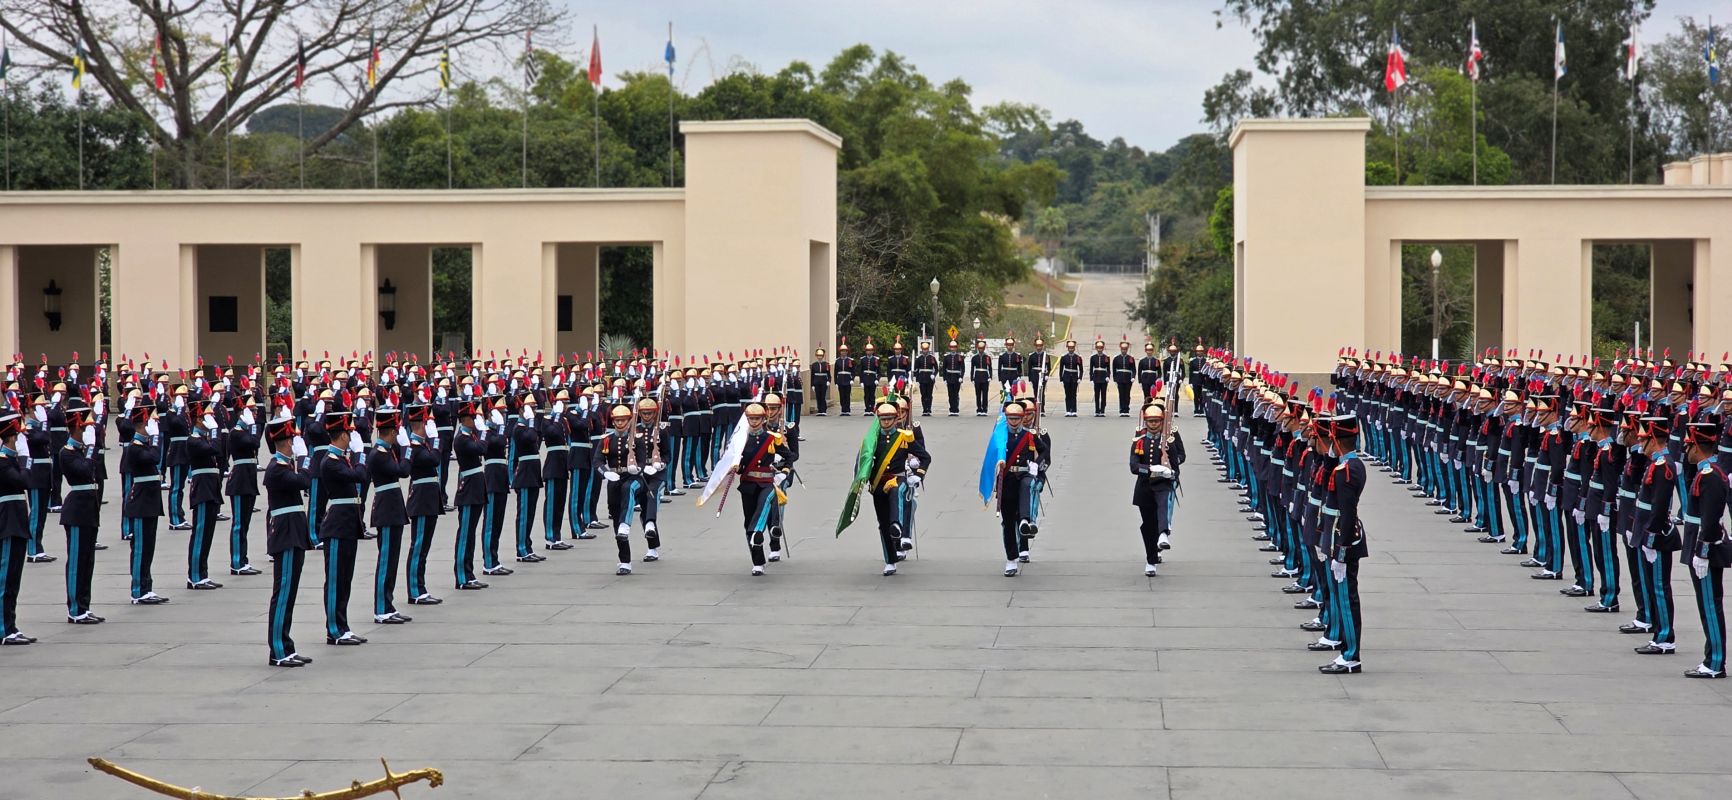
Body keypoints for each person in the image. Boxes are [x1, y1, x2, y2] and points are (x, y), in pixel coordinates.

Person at [1312, 410, 1366, 675]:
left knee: (1346, 601)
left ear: (1336, 440)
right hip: (1334, 540)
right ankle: (1346, 650)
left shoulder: (1348, 471)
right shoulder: (1343, 466)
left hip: (1343, 543)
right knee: (1341, 597)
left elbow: (1347, 514)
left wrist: (1341, 554)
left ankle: (1351, 655)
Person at [263, 416, 313, 667]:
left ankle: (286, 645)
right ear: (283, 441)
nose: (295, 443)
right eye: (292, 439)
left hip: (293, 533)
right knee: (283, 593)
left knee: (289, 592)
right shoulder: (276, 469)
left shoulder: (284, 465)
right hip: (286, 535)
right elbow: (304, 480)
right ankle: (278, 650)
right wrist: (305, 458)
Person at [319, 410, 369, 646]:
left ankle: (343, 626)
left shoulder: (339, 459)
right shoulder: (330, 462)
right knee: (335, 580)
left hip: (348, 524)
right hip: (337, 526)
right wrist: (360, 454)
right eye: (348, 433)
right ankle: (334, 630)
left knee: (345, 579)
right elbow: (359, 475)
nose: (351, 437)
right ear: (341, 435)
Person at [1683, 420, 1728, 678]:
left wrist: (1702, 551)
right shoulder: (1705, 472)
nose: (1686, 450)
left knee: (1710, 606)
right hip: (1699, 545)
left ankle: (1715, 662)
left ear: (1698, 447)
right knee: (1706, 605)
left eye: (1689, 445)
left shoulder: (1711, 476)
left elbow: (1709, 520)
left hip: (1706, 550)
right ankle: (1711, 657)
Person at [866, 400, 929, 576]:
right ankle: (890, 561)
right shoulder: (872, 439)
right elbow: (862, 461)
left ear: (895, 419)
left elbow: (925, 457)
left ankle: (897, 524)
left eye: (889, 419)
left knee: (896, 493)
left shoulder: (904, 437)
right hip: (878, 483)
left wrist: (918, 474)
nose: (886, 422)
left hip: (898, 478)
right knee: (882, 524)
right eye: (883, 419)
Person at [732, 402, 793, 576]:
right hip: (748, 484)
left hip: (767, 483)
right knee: (748, 522)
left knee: (763, 506)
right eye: (751, 418)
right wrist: (736, 466)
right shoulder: (740, 439)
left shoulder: (772, 438)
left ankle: (758, 532)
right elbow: (738, 464)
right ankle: (757, 561)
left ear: (763, 419)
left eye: (757, 418)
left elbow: (789, 457)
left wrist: (783, 473)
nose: (754, 422)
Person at [367, 406, 413, 624]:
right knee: (386, 561)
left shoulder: (386, 451)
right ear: (392, 431)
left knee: (392, 560)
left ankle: (388, 604)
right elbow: (403, 471)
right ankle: (381, 608)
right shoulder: (379, 454)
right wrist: (408, 448)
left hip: (393, 509)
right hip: (386, 510)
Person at [58, 401, 103, 624]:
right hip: (76, 511)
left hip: (89, 510)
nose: (88, 430)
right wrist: (91, 447)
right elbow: (85, 470)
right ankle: (75, 609)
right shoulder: (66, 453)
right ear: (77, 426)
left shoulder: (80, 451)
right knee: (77, 561)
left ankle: (84, 606)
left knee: (87, 561)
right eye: (85, 427)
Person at [1129, 401, 1185, 576]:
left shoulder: (1168, 442)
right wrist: (1150, 469)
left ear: (1162, 422)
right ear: (1146, 422)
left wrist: (1170, 473)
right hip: (1144, 487)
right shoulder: (1139, 442)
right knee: (1148, 525)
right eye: (1150, 421)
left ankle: (1163, 534)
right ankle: (1151, 560)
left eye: (1156, 421)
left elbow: (1176, 465)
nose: (1153, 424)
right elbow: (1133, 466)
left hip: (1163, 485)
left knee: (1163, 510)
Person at [121, 401, 168, 606]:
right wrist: (156, 438)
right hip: (141, 502)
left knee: (149, 547)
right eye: (151, 421)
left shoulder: (143, 445)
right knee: (140, 548)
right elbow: (155, 458)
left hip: (149, 502)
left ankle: (146, 587)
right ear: (142, 424)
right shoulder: (135, 447)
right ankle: (138, 590)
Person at [405, 402, 451, 600]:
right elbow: (434, 459)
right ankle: (415, 590)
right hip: (422, 500)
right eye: (427, 422)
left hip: (428, 499)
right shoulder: (415, 447)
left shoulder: (421, 445)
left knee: (424, 547)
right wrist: (436, 439)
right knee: (419, 546)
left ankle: (420, 588)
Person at [996, 400, 1045, 577]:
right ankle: (1011, 559)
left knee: (1026, 488)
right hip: (1007, 479)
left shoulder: (1029, 435)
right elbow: (991, 456)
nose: (1014, 422)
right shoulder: (1000, 436)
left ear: (1022, 418)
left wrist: (1036, 464)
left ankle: (1025, 520)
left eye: (1017, 418)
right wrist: (998, 463)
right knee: (1008, 522)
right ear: (1006, 418)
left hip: (1024, 474)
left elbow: (1044, 451)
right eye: (1011, 418)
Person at [184, 398, 225, 590]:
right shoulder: (193, 440)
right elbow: (216, 449)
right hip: (202, 490)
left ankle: (203, 573)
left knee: (208, 534)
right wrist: (215, 430)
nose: (212, 418)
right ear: (199, 419)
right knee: (200, 534)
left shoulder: (202, 438)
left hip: (210, 488)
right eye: (208, 416)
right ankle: (194, 576)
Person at [225, 398, 263, 577]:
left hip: (248, 480)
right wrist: (253, 426)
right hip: (240, 482)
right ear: (242, 413)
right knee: (239, 524)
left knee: (245, 524)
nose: (255, 413)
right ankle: (236, 562)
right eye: (251, 410)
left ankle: (243, 559)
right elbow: (255, 443)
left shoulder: (245, 431)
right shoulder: (237, 432)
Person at [22, 395, 55, 563]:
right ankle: (33, 550)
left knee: (41, 514)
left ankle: (38, 548)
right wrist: (44, 422)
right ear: (30, 410)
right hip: (35, 476)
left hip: (44, 475)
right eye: (38, 408)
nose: (43, 411)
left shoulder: (38, 427)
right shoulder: (28, 428)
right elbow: (44, 438)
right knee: (36, 514)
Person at [1058, 340, 1084, 418]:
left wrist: (1080, 378)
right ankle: (1068, 410)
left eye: (1072, 348)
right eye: (1069, 348)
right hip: (1066, 377)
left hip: (1074, 378)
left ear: (1074, 348)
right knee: (1067, 394)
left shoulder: (1078, 357)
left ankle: (1074, 410)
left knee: (1073, 394)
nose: (1071, 349)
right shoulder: (1064, 357)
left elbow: (1081, 369)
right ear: (1068, 348)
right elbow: (1061, 369)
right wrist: (1061, 379)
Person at [913, 340, 939, 417]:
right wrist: (917, 378)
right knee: (923, 394)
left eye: (926, 349)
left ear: (928, 349)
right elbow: (916, 369)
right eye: (924, 349)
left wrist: (934, 375)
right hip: (922, 378)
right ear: (922, 349)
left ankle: (929, 409)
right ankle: (924, 409)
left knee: (929, 394)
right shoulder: (919, 358)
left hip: (930, 378)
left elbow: (936, 368)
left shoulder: (932, 358)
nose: (925, 351)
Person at [1111, 339, 1136, 417]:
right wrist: (1115, 379)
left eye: (1125, 349)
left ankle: (1127, 409)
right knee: (1121, 394)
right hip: (1120, 378)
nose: (1124, 351)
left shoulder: (1130, 358)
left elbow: (1133, 369)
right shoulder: (1116, 358)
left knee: (1127, 395)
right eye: (1122, 349)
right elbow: (1114, 369)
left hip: (1128, 379)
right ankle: (1122, 410)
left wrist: (1133, 377)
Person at [941, 339, 965, 417]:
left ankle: (956, 409)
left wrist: (961, 377)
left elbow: (962, 368)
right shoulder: (946, 357)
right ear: (949, 347)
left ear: (956, 348)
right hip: (949, 377)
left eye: (954, 347)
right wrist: (944, 378)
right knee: (950, 394)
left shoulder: (960, 357)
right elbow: (944, 368)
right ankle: (951, 409)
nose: (953, 348)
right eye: (951, 347)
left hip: (956, 377)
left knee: (956, 394)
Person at [969, 339, 993, 417]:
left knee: (985, 394)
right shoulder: (974, 357)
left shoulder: (987, 357)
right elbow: (972, 368)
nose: (981, 350)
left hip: (985, 376)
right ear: (978, 348)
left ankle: (985, 409)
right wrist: (972, 378)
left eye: (982, 348)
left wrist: (990, 376)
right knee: (978, 394)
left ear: (984, 348)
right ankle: (979, 409)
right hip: (977, 376)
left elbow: (990, 368)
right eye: (980, 348)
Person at [857, 340, 882, 412]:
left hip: (872, 379)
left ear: (873, 351)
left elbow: (879, 371)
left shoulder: (876, 359)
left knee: (872, 395)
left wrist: (877, 379)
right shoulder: (863, 359)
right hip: (865, 379)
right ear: (866, 351)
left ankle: (872, 408)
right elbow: (860, 371)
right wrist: (861, 381)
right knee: (866, 395)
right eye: (868, 350)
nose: (869, 352)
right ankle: (867, 408)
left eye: (870, 350)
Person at [1088, 339, 1111, 418]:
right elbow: (1091, 368)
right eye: (1098, 348)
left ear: (1103, 348)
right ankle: (1097, 410)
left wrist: (1108, 376)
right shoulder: (1093, 357)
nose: (1099, 349)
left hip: (1104, 378)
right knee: (1097, 395)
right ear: (1096, 348)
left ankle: (1102, 410)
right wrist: (1091, 378)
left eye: (1101, 348)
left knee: (1103, 395)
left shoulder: (1106, 357)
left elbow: (1108, 368)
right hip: (1096, 377)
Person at [834, 341, 855, 416]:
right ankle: (843, 409)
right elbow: (835, 372)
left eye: (845, 351)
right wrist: (836, 382)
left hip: (847, 380)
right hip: (840, 380)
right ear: (840, 352)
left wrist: (852, 379)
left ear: (847, 352)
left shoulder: (850, 360)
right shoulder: (837, 361)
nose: (843, 352)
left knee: (847, 395)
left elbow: (853, 371)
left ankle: (847, 410)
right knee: (842, 395)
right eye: (842, 351)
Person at [811, 346, 832, 416]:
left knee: (823, 396)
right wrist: (812, 385)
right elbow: (812, 376)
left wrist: (829, 381)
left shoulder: (826, 364)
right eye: (818, 356)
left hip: (823, 382)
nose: (819, 357)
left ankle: (823, 410)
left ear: (823, 356)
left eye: (821, 356)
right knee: (818, 396)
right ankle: (819, 410)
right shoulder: (814, 365)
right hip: (816, 382)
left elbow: (829, 374)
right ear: (816, 356)